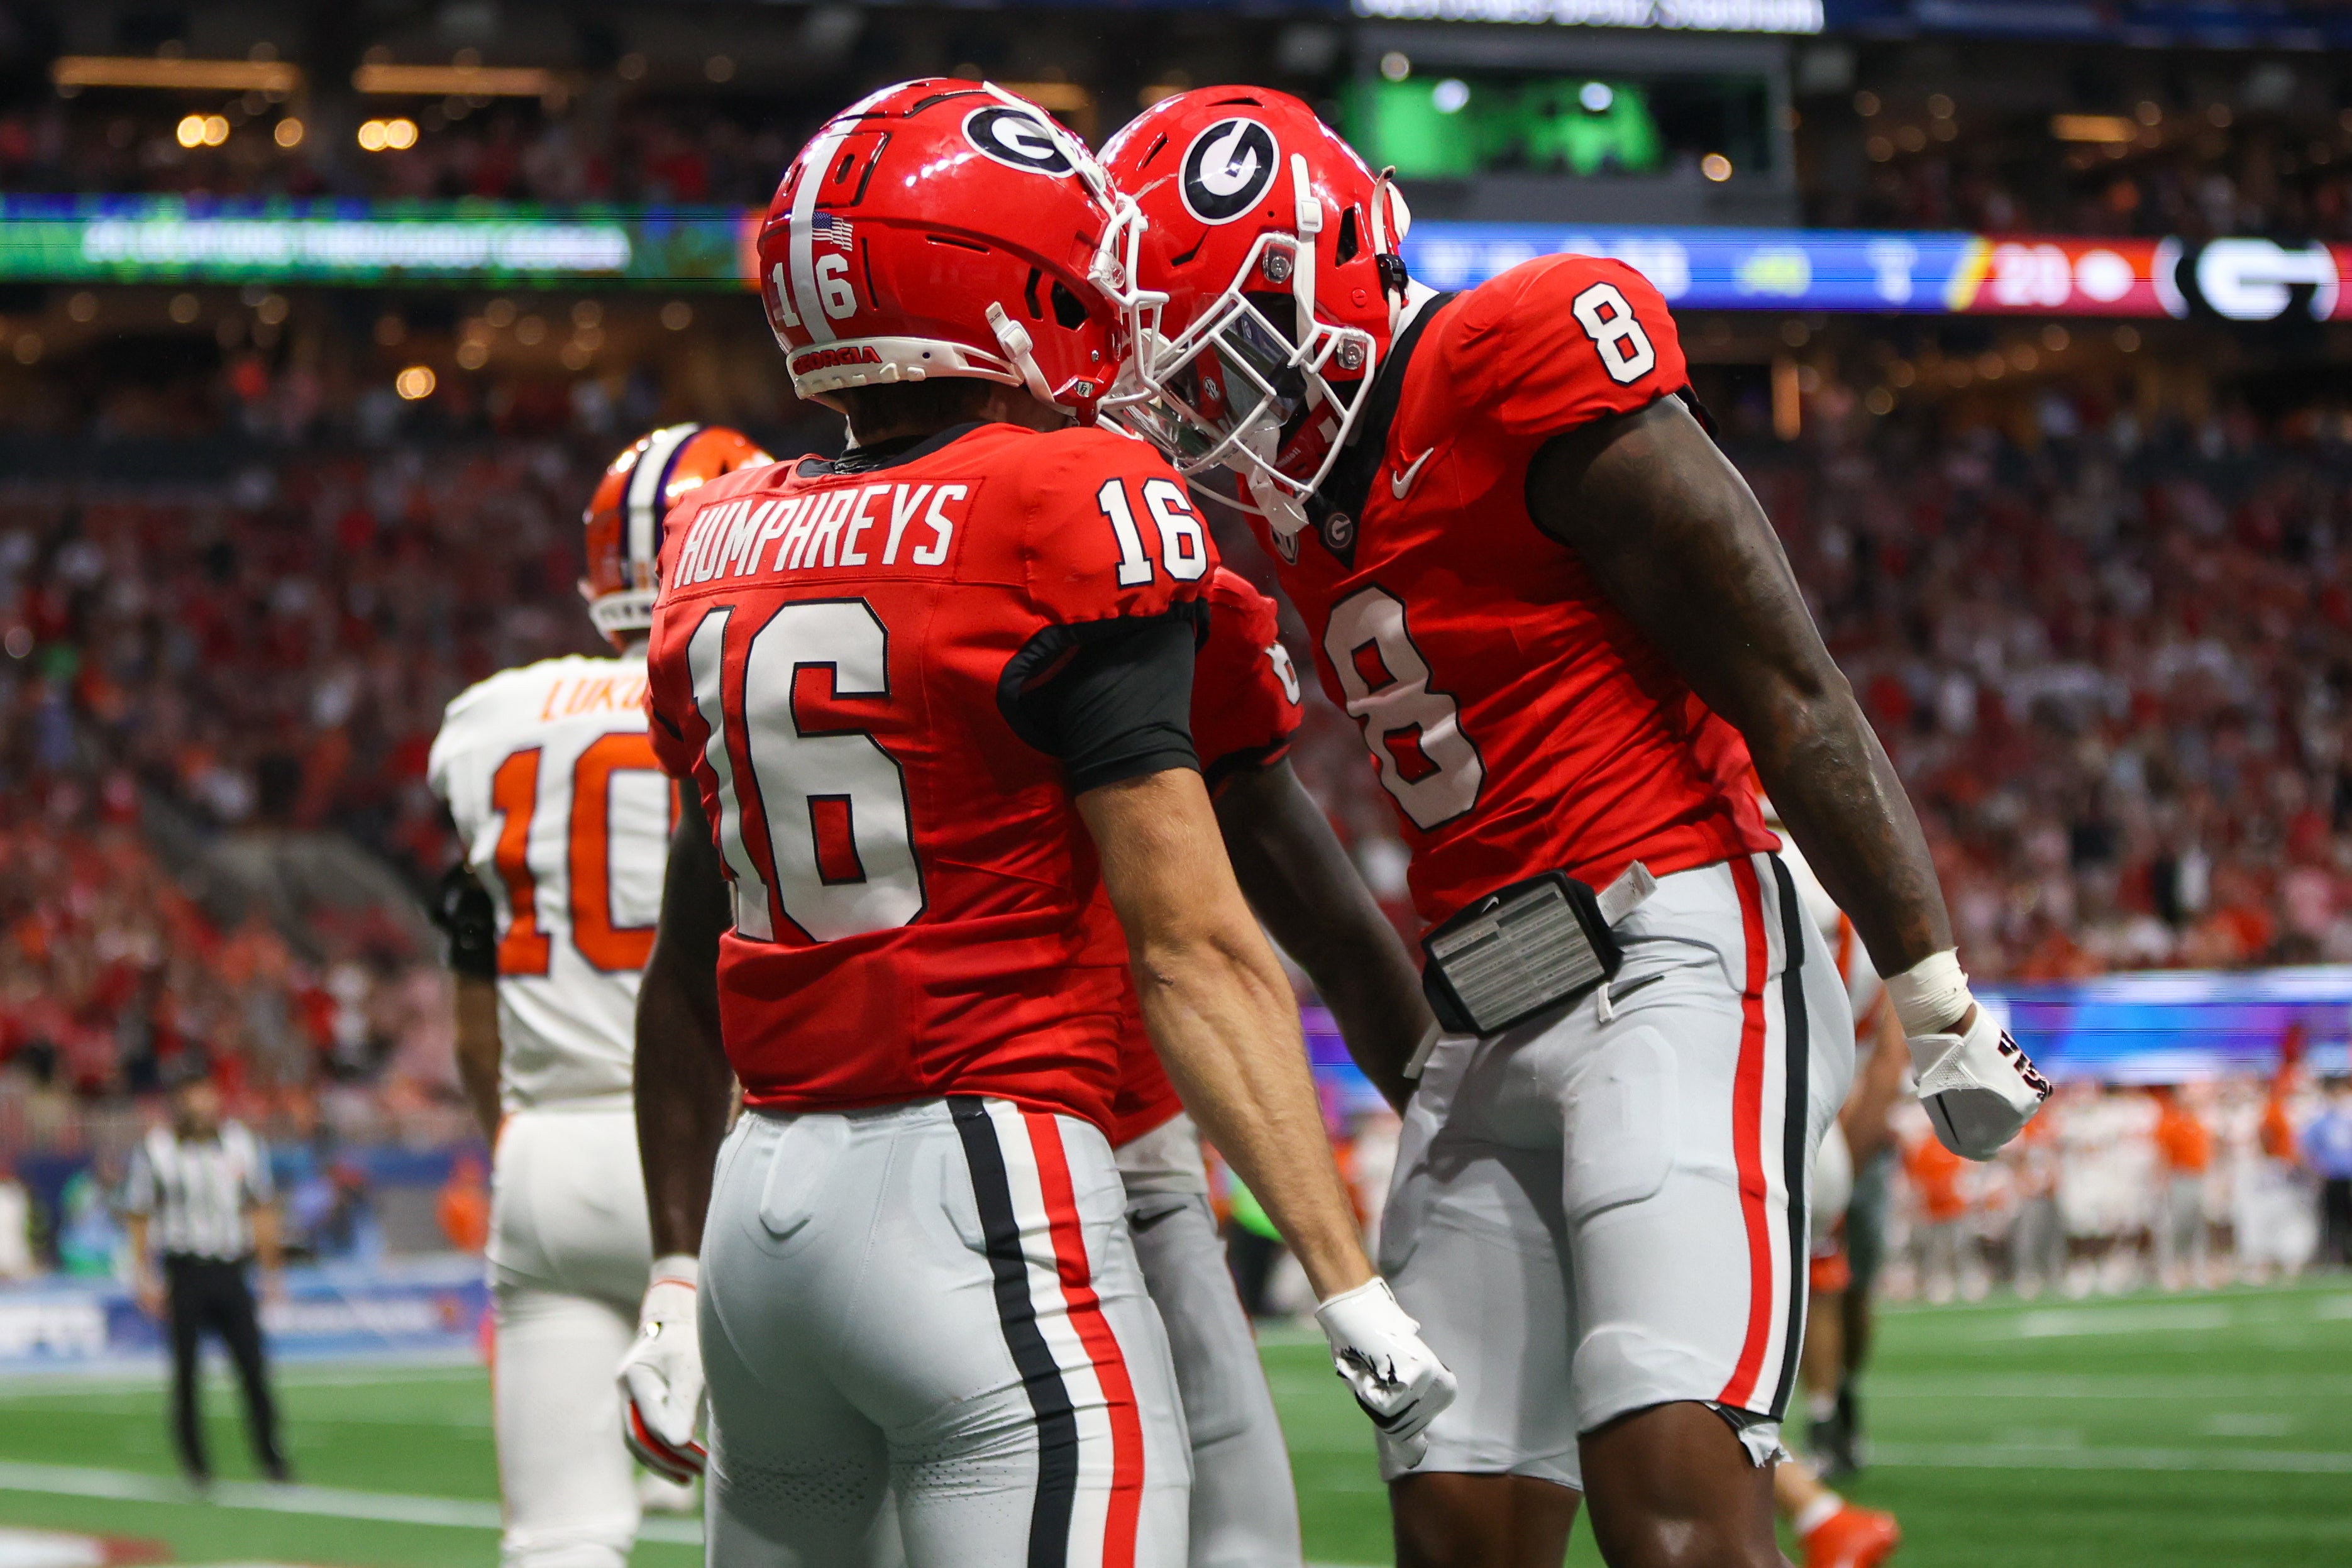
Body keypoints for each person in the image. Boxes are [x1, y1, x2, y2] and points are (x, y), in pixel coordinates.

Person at [1103, 87, 2048, 1568]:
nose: (1209, 420)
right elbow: (1277, 828)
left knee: (1672, 1512)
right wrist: (1415, 1055)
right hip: (1481, 1019)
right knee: (1457, 1535)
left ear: (1332, 272)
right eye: (1180, 390)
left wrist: (1931, 990)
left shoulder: (1514, 351)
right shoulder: (1289, 513)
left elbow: (1783, 680)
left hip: (1672, 947)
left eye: (1228, 363)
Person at [618, 81, 1452, 1567]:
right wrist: (1345, 1276)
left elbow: (689, 960)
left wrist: (674, 1269)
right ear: (1005, 285)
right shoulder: (1068, 500)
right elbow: (1202, 943)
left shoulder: (714, 544)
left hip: (762, 1216)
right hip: (986, 1184)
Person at [426, 422, 771, 1568]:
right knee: (800, 1522)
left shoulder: (482, 721)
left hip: (550, 1151)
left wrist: (511, 1144)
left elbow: (474, 1011)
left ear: (595, 575)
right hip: (726, 1148)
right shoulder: (746, 679)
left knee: (559, 1538)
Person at [123, 1074, 289, 1488]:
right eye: (196, 1096)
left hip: (231, 1268)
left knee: (253, 1366)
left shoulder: (241, 1144)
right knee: (186, 1372)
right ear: (180, 1101)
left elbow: (261, 1209)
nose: (205, 1104)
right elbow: (139, 1215)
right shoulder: (157, 1150)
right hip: (186, 1270)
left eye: (210, 1095)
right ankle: (195, 1465)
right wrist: (143, 1275)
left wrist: (272, 1272)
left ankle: (272, 1458)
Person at [2306, 1081, 2352, 1267]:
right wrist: (2318, 1169)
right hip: (2332, 1177)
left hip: (2348, 1175)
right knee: (2332, 1219)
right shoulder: (2321, 1121)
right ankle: (2335, 1258)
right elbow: (2309, 1148)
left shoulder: (2348, 1120)